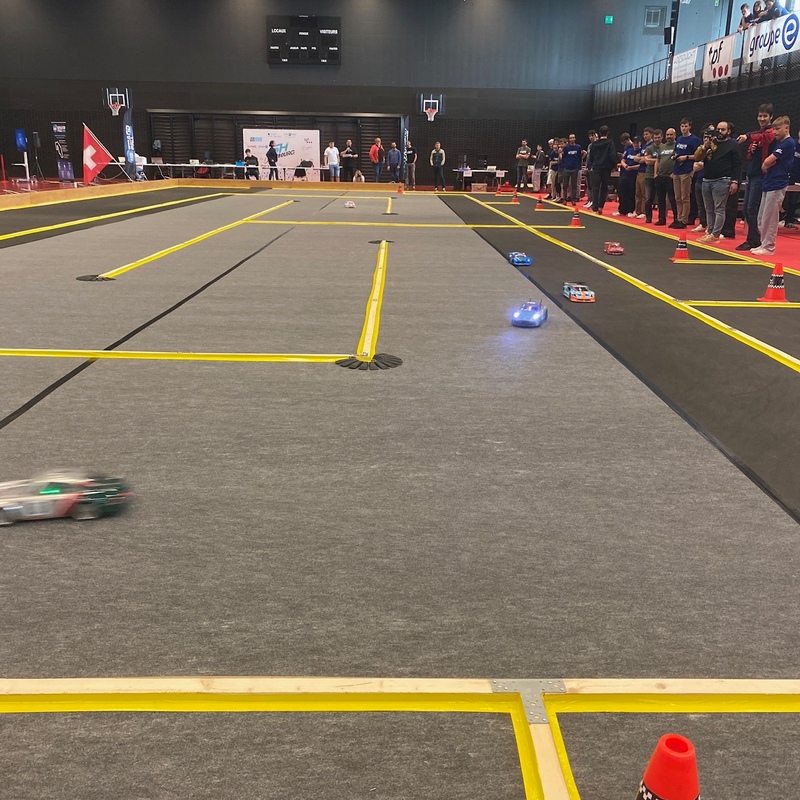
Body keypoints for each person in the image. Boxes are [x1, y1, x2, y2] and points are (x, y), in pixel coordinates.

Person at [752, 116, 796, 255]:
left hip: (777, 183)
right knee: (762, 217)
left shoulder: (788, 143)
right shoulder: (779, 143)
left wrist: (766, 164)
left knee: (770, 217)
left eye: (777, 129)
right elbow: (768, 162)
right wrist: (767, 164)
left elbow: (768, 161)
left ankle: (769, 246)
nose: (775, 132)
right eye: (774, 129)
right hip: (769, 182)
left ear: (786, 128)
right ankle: (764, 243)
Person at [736, 103, 774, 251]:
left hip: (760, 176)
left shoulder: (769, 133)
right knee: (747, 209)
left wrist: (747, 136)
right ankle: (753, 238)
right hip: (752, 174)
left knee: (752, 208)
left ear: (770, 117)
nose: (762, 118)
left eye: (765, 116)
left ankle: (754, 239)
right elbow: (749, 156)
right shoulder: (758, 134)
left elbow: (765, 137)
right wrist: (752, 150)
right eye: (760, 116)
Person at [697, 121, 742, 244]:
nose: (720, 132)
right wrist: (705, 146)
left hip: (722, 180)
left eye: (723, 129)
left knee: (719, 208)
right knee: (709, 209)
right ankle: (709, 232)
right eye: (718, 129)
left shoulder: (733, 144)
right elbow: (698, 157)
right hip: (707, 179)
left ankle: (715, 234)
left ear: (729, 131)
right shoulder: (712, 143)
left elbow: (737, 164)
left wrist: (734, 181)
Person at [672, 118, 702, 229]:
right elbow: (676, 151)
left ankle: (684, 220)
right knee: (677, 197)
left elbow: (698, 155)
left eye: (685, 126)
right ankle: (679, 218)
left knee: (685, 197)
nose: (684, 128)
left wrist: (687, 157)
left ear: (689, 127)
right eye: (682, 126)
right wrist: (675, 156)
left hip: (687, 170)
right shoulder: (679, 139)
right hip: (677, 170)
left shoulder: (694, 140)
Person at [589, 125, 617, 213]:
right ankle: (601, 206)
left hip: (597, 167)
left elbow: (591, 156)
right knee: (604, 187)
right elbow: (612, 156)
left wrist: (593, 163)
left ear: (599, 133)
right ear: (608, 133)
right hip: (606, 168)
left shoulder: (594, 144)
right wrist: (613, 166)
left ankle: (595, 206)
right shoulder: (610, 143)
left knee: (595, 187)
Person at [653, 127, 678, 226]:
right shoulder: (662, 147)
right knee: (660, 199)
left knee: (672, 199)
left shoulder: (677, 146)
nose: (669, 136)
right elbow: (658, 160)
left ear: (675, 135)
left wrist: (674, 173)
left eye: (671, 135)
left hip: (671, 176)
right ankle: (661, 219)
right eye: (667, 134)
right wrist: (655, 173)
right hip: (660, 176)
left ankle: (676, 219)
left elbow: (678, 160)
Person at [560, 134, 583, 204]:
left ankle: (573, 199)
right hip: (566, 168)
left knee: (574, 185)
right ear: (569, 139)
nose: (572, 139)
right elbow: (563, 157)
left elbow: (580, 157)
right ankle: (564, 199)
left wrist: (579, 166)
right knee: (565, 185)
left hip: (575, 168)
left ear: (575, 138)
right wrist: (564, 166)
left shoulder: (578, 147)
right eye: (571, 138)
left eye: (573, 138)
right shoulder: (566, 147)